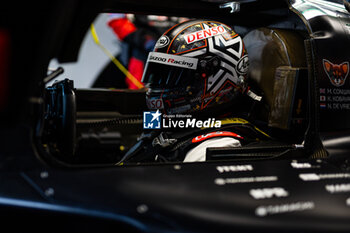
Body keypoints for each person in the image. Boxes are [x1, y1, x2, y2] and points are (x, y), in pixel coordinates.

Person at [118, 19, 271, 164]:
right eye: (162, 74)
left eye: (177, 76)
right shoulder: (171, 125)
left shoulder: (210, 149)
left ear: (217, 76)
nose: (160, 85)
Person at [93, 14, 186, 89]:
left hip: (179, 54)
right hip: (140, 56)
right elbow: (117, 21)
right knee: (140, 98)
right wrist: (144, 40)